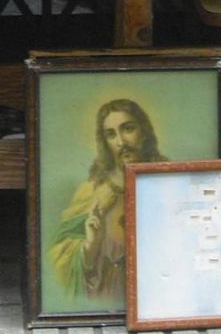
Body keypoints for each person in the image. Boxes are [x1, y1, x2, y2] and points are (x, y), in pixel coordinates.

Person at [46, 98, 166, 301]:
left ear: (143, 131)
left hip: (160, 289)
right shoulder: (92, 192)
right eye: (111, 135)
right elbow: (57, 258)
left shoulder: (168, 179)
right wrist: (91, 246)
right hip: (107, 295)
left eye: (128, 129)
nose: (121, 142)